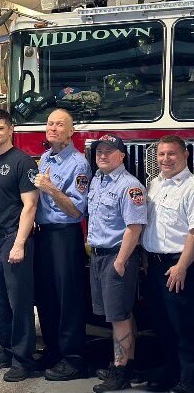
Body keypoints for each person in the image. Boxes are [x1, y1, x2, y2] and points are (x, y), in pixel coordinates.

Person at [0, 109, 39, 382]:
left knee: (19, 303)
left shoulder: (23, 161)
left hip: (13, 238)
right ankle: (7, 350)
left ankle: (23, 359)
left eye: (0, 128)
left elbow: (30, 206)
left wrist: (19, 244)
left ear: (11, 129)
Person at [32, 109, 90, 381]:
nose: (53, 128)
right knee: (46, 295)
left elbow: (77, 212)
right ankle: (53, 349)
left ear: (71, 132)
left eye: (60, 125)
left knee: (68, 297)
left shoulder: (79, 164)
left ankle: (73, 358)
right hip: (43, 233)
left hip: (64, 235)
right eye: (50, 124)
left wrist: (52, 188)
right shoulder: (45, 158)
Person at [87, 134, 146, 393]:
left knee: (119, 316)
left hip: (116, 256)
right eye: (99, 150)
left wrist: (120, 262)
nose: (102, 155)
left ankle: (119, 371)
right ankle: (127, 364)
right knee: (118, 313)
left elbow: (134, 228)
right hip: (99, 255)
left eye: (109, 151)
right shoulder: (98, 180)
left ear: (121, 156)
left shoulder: (129, 186)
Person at [143, 135, 194, 393]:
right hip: (155, 266)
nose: (165, 159)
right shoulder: (154, 184)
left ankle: (189, 379)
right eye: (161, 155)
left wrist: (182, 266)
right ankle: (171, 374)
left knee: (184, 327)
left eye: (172, 154)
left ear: (185, 155)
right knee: (161, 325)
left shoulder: (191, 187)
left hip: (178, 266)